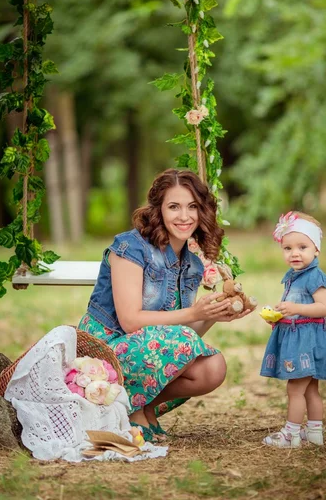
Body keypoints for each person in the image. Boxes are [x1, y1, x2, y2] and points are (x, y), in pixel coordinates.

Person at [78, 168, 253, 442]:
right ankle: (131, 411)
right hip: (106, 348)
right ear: (158, 209)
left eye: (192, 207)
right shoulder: (129, 247)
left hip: (147, 350)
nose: (184, 216)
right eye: (174, 207)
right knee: (182, 340)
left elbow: (181, 335)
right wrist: (194, 312)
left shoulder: (192, 263)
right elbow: (130, 321)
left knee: (212, 367)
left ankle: (140, 405)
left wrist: (213, 315)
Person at [260, 211, 326, 448]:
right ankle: (314, 433)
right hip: (300, 337)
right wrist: (280, 316)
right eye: (288, 248)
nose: (295, 253)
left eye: (302, 247)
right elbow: (299, 310)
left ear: (316, 249)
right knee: (310, 389)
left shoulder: (315, 276)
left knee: (295, 388)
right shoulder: (294, 277)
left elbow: (324, 307)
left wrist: (294, 307)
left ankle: (291, 434)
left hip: (308, 341)